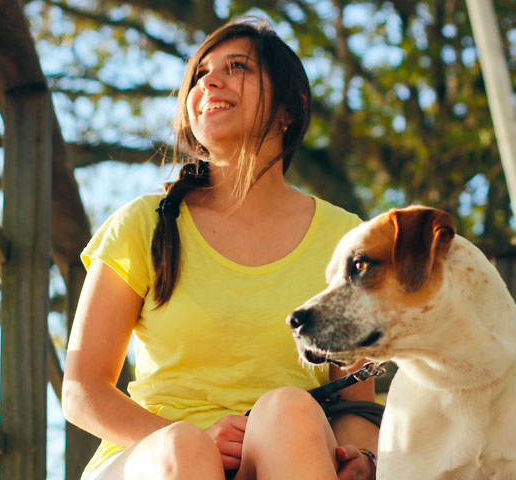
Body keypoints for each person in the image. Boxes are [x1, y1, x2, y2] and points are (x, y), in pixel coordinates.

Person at [62, 16, 379, 480]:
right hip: (153, 457)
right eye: (200, 73)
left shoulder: (346, 240)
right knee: (185, 449)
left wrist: (361, 459)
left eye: (237, 67)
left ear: (290, 107)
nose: (210, 80)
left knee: (289, 409)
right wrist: (197, 439)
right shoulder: (143, 224)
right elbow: (82, 390)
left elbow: (355, 403)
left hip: (287, 453)